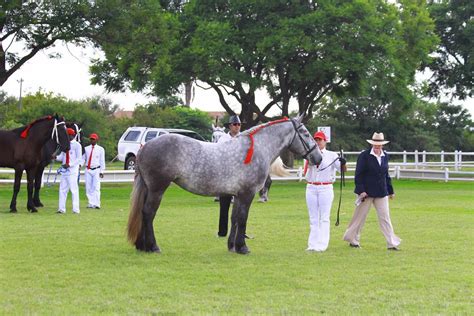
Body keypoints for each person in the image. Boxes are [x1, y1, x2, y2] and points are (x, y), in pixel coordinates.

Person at [343, 132, 401, 250]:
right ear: (372, 144)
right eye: (375, 144)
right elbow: (358, 175)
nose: (377, 146)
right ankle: (353, 240)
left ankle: (391, 243)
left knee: (385, 217)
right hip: (366, 192)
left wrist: (390, 190)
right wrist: (361, 190)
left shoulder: (385, 156)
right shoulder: (364, 156)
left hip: (381, 192)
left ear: (382, 145)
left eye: (379, 144)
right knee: (360, 217)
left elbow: (386, 174)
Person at [304, 131, 347, 252]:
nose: (318, 142)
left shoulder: (332, 155)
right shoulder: (309, 154)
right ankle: (312, 244)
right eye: (316, 140)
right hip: (311, 187)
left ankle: (322, 244)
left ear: (325, 141)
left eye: (320, 140)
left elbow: (342, 170)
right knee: (313, 217)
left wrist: (344, 162)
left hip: (325, 187)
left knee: (324, 217)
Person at [216, 115, 241, 237]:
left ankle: (238, 231)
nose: (237, 127)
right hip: (226, 176)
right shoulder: (223, 139)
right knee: (224, 206)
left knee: (239, 207)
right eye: (235, 124)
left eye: (238, 124)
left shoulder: (243, 138)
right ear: (230, 126)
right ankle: (222, 232)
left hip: (240, 176)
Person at [55, 127, 83, 214]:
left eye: (68, 135)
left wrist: (69, 164)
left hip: (72, 171)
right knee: (62, 189)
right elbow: (62, 157)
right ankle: (61, 209)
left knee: (74, 190)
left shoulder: (77, 145)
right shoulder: (65, 145)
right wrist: (55, 157)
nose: (67, 137)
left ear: (72, 135)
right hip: (64, 170)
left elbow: (79, 159)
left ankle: (76, 209)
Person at [83, 133, 106, 209]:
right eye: (91, 139)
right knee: (88, 187)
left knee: (96, 187)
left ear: (97, 140)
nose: (92, 140)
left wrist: (102, 171)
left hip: (96, 169)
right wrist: (80, 165)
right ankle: (91, 203)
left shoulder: (100, 149)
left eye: (93, 139)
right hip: (88, 169)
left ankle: (97, 203)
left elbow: (102, 161)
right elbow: (83, 158)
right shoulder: (86, 149)